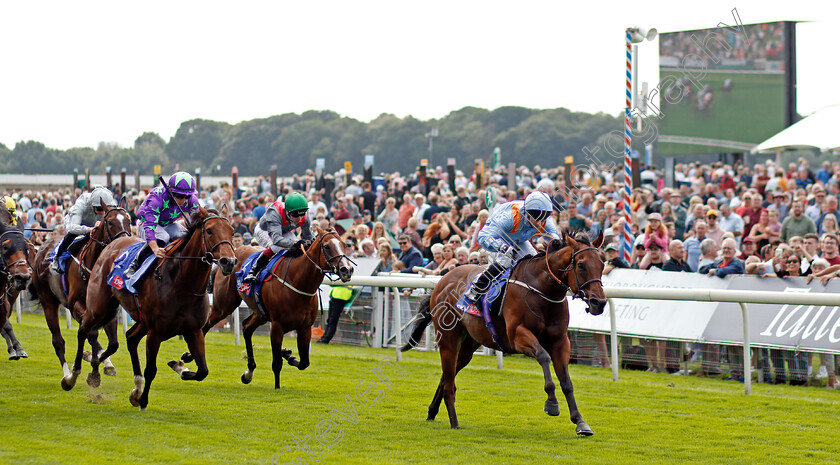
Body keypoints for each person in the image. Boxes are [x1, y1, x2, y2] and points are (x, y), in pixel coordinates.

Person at [456, 191, 559, 314]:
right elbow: (483, 236)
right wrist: (502, 247)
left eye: (542, 220)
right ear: (527, 213)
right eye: (536, 219)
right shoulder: (510, 217)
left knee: (533, 260)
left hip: (520, 238)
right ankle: (474, 290)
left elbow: (554, 240)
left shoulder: (544, 218)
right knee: (506, 259)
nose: (539, 223)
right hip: (497, 237)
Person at [128, 173, 200, 278]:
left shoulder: (192, 200)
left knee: (185, 236)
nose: (184, 200)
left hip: (168, 224)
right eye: (179, 196)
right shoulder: (156, 198)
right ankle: (135, 264)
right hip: (146, 223)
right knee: (163, 237)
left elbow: (197, 222)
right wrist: (155, 248)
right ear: (171, 192)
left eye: (187, 196)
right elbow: (150, 226)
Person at [243, 191, 312, 284]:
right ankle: (254, 270)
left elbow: (308, 236)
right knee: (276, 247)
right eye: (295, 214)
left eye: (302, 214)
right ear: (287, 211)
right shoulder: (275, 212)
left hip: (284, 231)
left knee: (298, 247)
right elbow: (276, 240)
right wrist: (295, 243)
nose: (299, 218)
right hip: (265, 230)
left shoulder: (304, 214)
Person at [51, 186, 117, 273]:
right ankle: (57, 256)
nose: (102, 212)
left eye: (104, 209)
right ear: (92, 205)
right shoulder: (81, 204)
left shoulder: (111, 204)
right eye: (99, 209)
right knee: (72, 234)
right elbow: (72, 227)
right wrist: (89, 229)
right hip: (75, 223)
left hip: (94, 223)